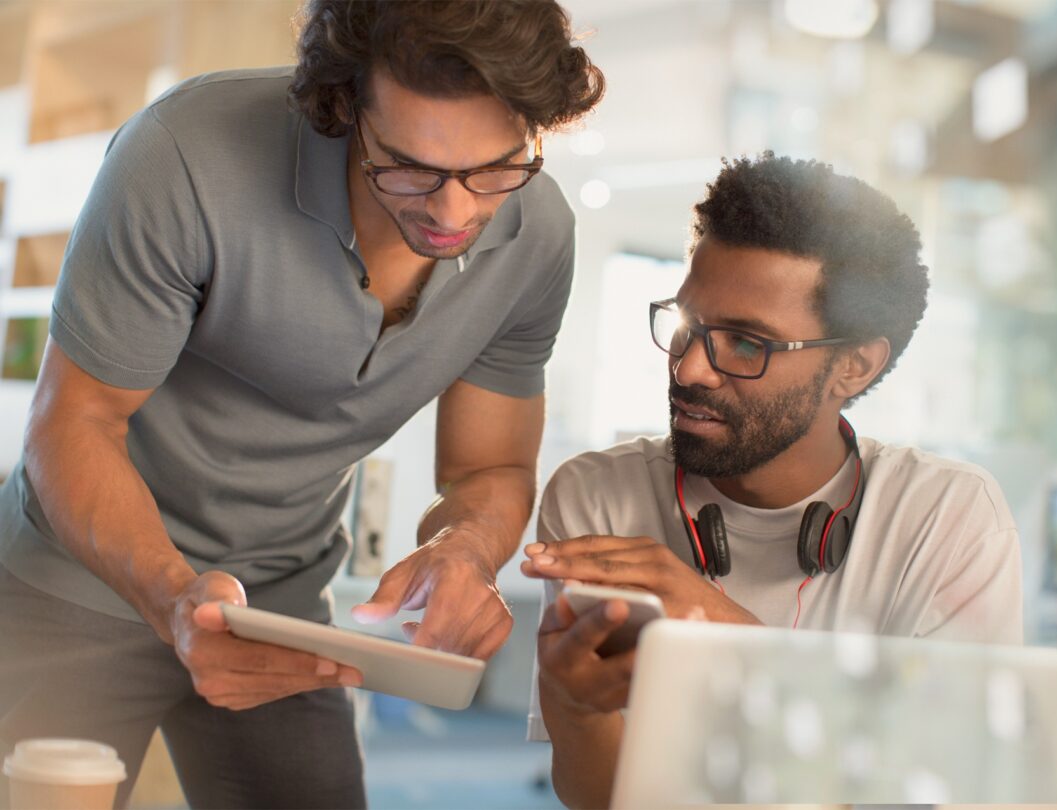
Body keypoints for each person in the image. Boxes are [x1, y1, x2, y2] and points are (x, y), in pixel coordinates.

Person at [0, 1, 604, 807]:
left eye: (497, 166)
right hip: (79, 576)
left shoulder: (538, 235)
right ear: (344, 105)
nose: (454, 214)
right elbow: (74, 423)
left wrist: (466, 549)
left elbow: (488, 467)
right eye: (409, 168)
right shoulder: (185, 155)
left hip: (283, 599)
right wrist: (174, 598)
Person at [520, 153, 1023, 809]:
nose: (693, 368)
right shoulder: (595, 496)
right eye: (686, 324)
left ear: (854, 367)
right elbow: (597, 796)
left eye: (746, 343)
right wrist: (577, 712)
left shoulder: (947, 519)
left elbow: (943, 786)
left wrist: (724, 636)